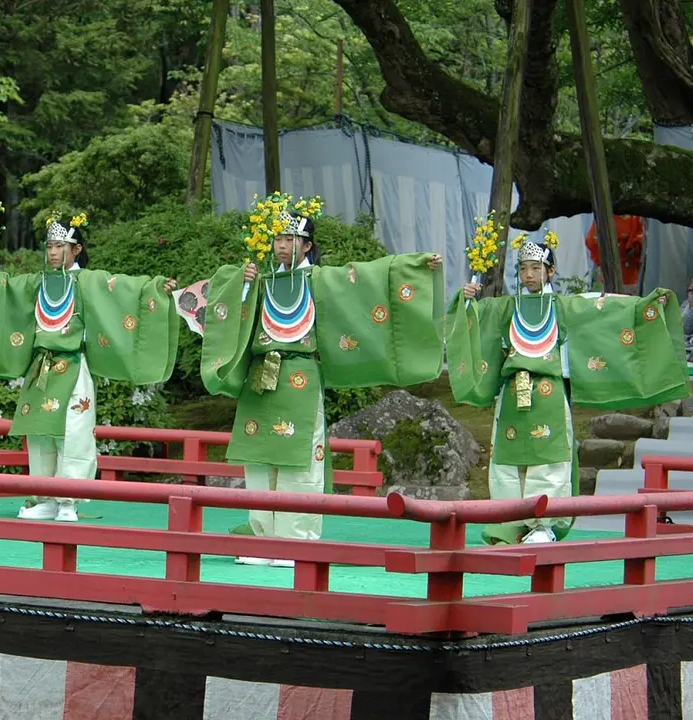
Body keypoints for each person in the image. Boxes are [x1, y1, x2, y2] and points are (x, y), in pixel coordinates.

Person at [193, 197, 446, 566]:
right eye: (278, 238)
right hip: (260, 377)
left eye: (291, 239)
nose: (282, 245)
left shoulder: (322, 280)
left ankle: (296, 542)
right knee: (260, 460)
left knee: (299, 463)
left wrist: (416, 267)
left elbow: (369, 277)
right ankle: (262, 539)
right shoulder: (262, 280)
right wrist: (238, 284)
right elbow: (226, 312)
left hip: (300, 375)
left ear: (308, 245)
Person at [449, 232, 690, 545]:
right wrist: (467, 299)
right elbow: (475, 321)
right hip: (511, 393)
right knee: (506, 461)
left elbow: (603, 311)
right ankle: (506, 522)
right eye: (523, 269)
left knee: (547, 460)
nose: (529, 275)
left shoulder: (563, 307)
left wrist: (643, 305)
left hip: (548, 391)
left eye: (536, 268)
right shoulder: (506, 307)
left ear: (550, 271)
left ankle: (542, 525)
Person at [0, 212, 178, 522]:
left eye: (60, 245)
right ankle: (44, 497)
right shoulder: (38, 281)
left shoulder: (88, 281)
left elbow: (125, 289)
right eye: (49, 245)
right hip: (41, 370)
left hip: (73, 366)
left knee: (72, 434)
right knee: (39, 435)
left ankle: (67, 501)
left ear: (76, 250)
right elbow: (8, 291)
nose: (52, 252)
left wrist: (155, 288)